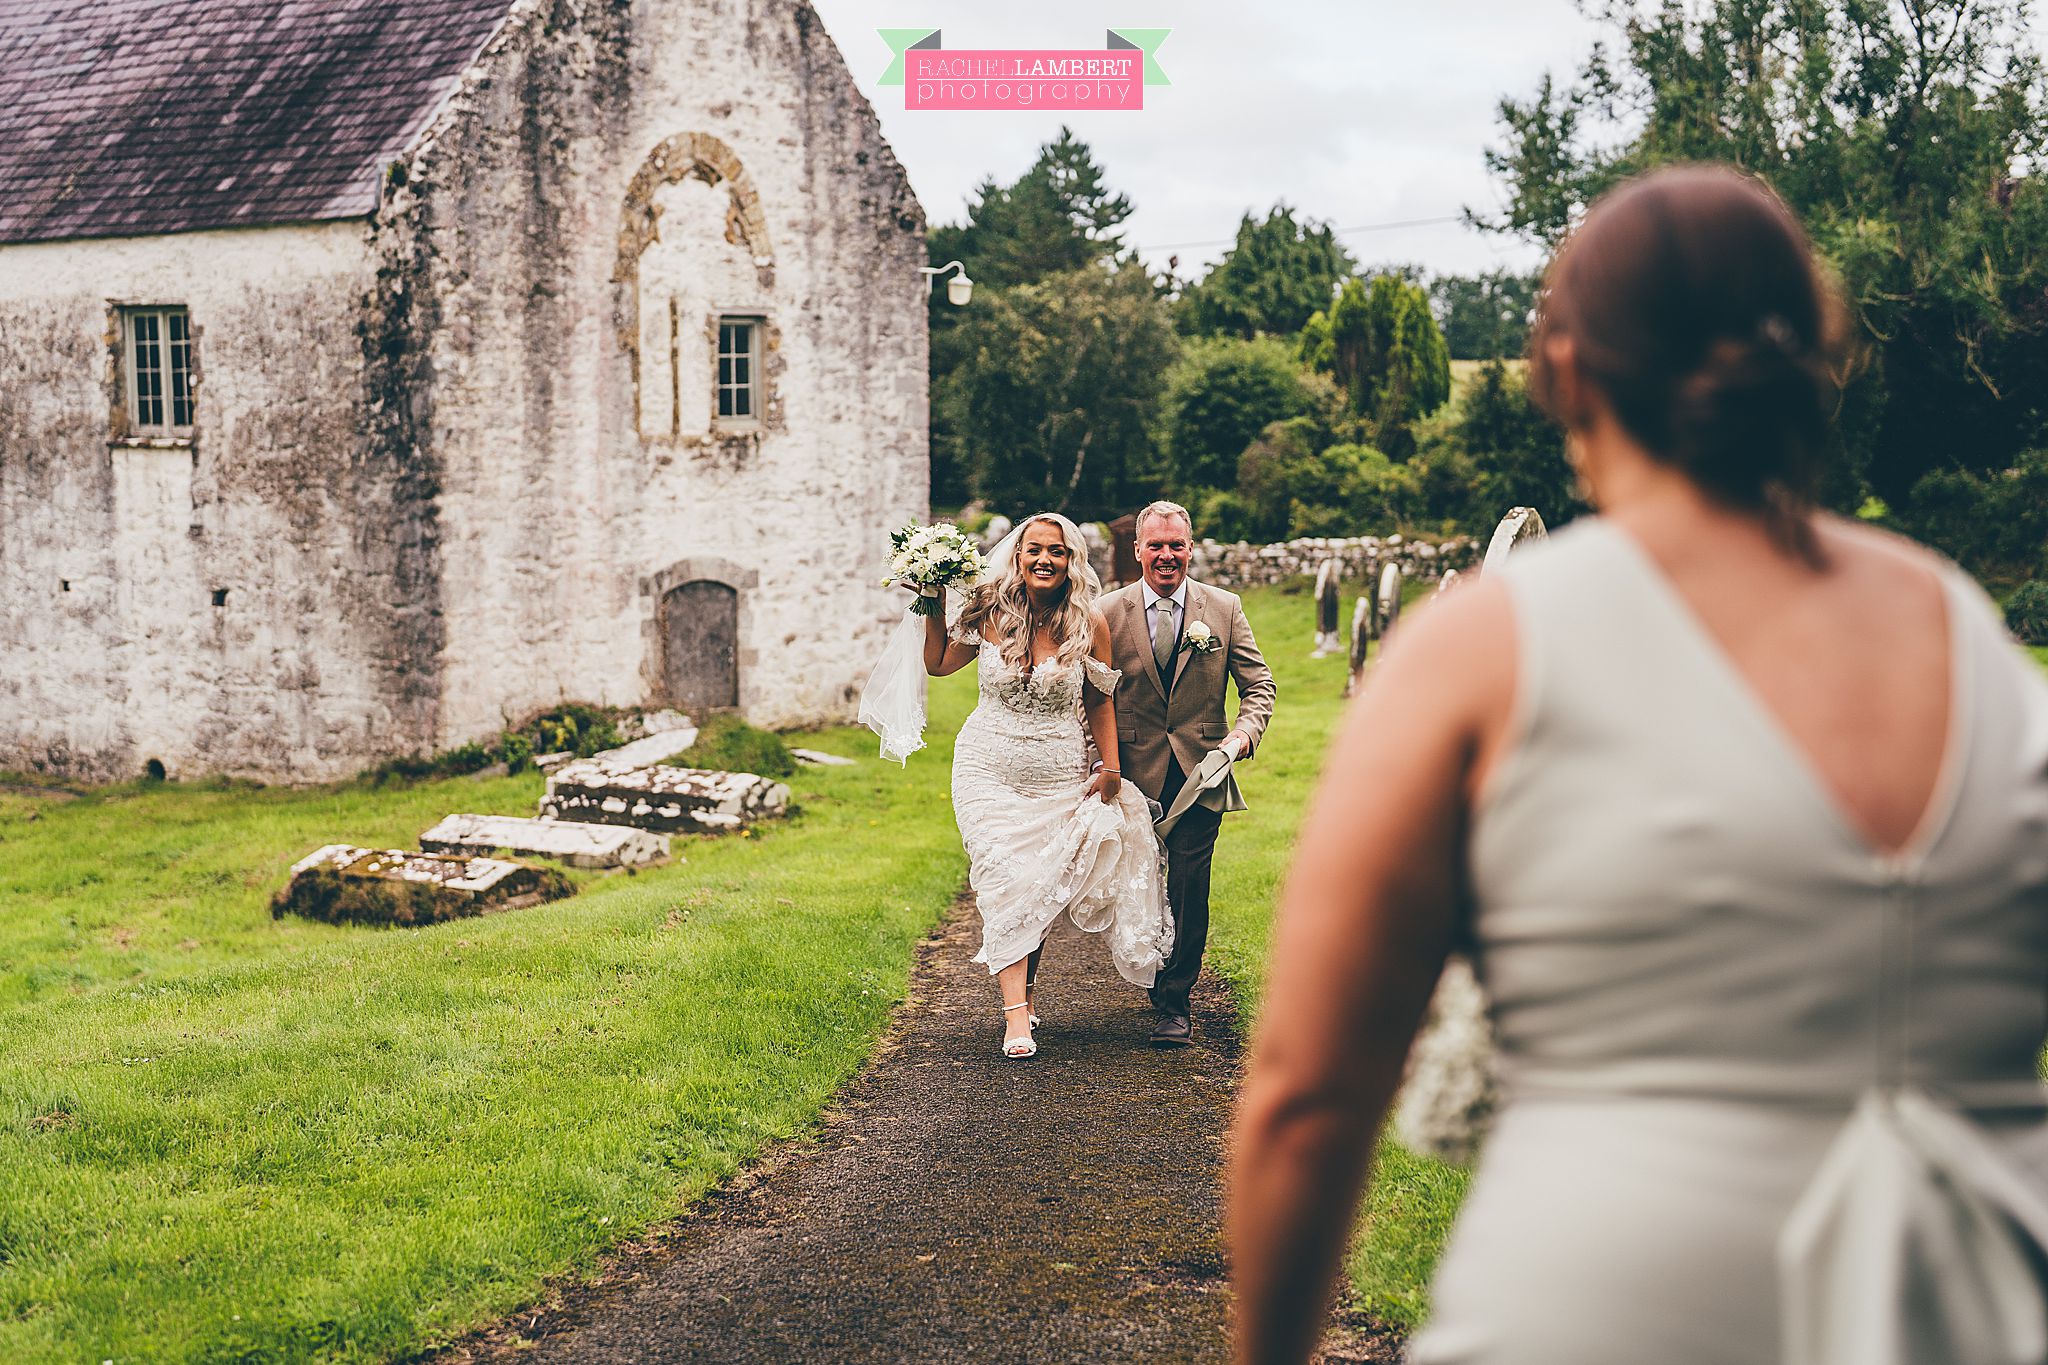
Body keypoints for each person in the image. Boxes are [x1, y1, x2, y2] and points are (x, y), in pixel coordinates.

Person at [1228, 164, 2048, 1365]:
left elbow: (1306, 1097)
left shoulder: (1485, 644)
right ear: (1818, 357)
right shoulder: (1963, 628)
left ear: (1559, 366)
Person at [921, 512, 1174, 1059]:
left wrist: (1110, 769)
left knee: (1036, 880)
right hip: (986, 763)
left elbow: (1099, 699)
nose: (1043, 560)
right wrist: (932, 601)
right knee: (1002, 874)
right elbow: (939, 664)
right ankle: (1016, 1016)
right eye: (1033, 549)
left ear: (1070, 560)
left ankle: (1028, 992)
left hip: (1056, 766)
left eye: (1056, 552)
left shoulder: (1089, 624)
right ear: (1016, 554)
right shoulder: (988, 610)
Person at [1099, 501, 1276, 1047]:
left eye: (1177, 545)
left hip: (1202, 772)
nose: (1167, 556)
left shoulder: (1223, 608)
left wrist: (1242, 735)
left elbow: (1258, 685)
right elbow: (1090, 691)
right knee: (1143, 883)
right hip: (1131, 771)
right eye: (1156, 546)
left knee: (1190, 884)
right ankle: (1154, 975)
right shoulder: (1106, 611)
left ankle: (1176, 1002)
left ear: (1191, 548)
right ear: (1138, 551)